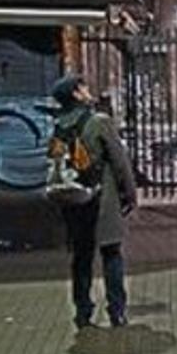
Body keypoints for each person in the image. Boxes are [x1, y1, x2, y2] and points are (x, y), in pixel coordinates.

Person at [48, 74, 137, 328]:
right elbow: (120, 162)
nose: (88, 91)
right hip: (102, 198)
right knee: (111, 254)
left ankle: (82, 310)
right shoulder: (99, 121)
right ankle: (117, 311)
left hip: (73, 199)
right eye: (83, 87)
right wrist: (129, 194)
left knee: (81, 257)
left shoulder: (59, 124)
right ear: (76, 94)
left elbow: (54, 160)